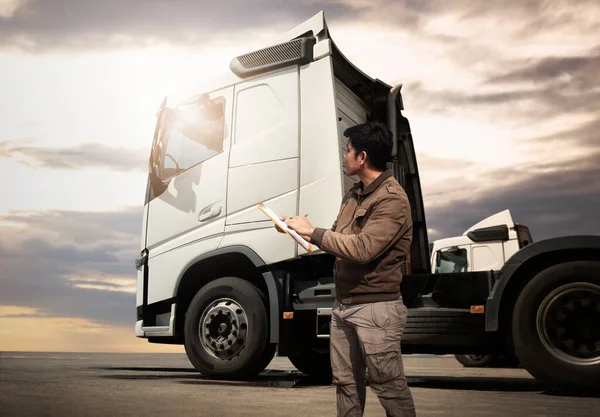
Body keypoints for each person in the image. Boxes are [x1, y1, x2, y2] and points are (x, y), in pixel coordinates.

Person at [283, 121, 416, 417]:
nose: (344, 156)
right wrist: (296, 230)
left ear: (363, 157)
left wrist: (313, 230)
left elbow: (362, 249)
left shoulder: (392, 200)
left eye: (348, 150)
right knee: (345, 384)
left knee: (389, 386)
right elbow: (335, 238)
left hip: (376, 310)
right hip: (344, 307)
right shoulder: (354, 195)